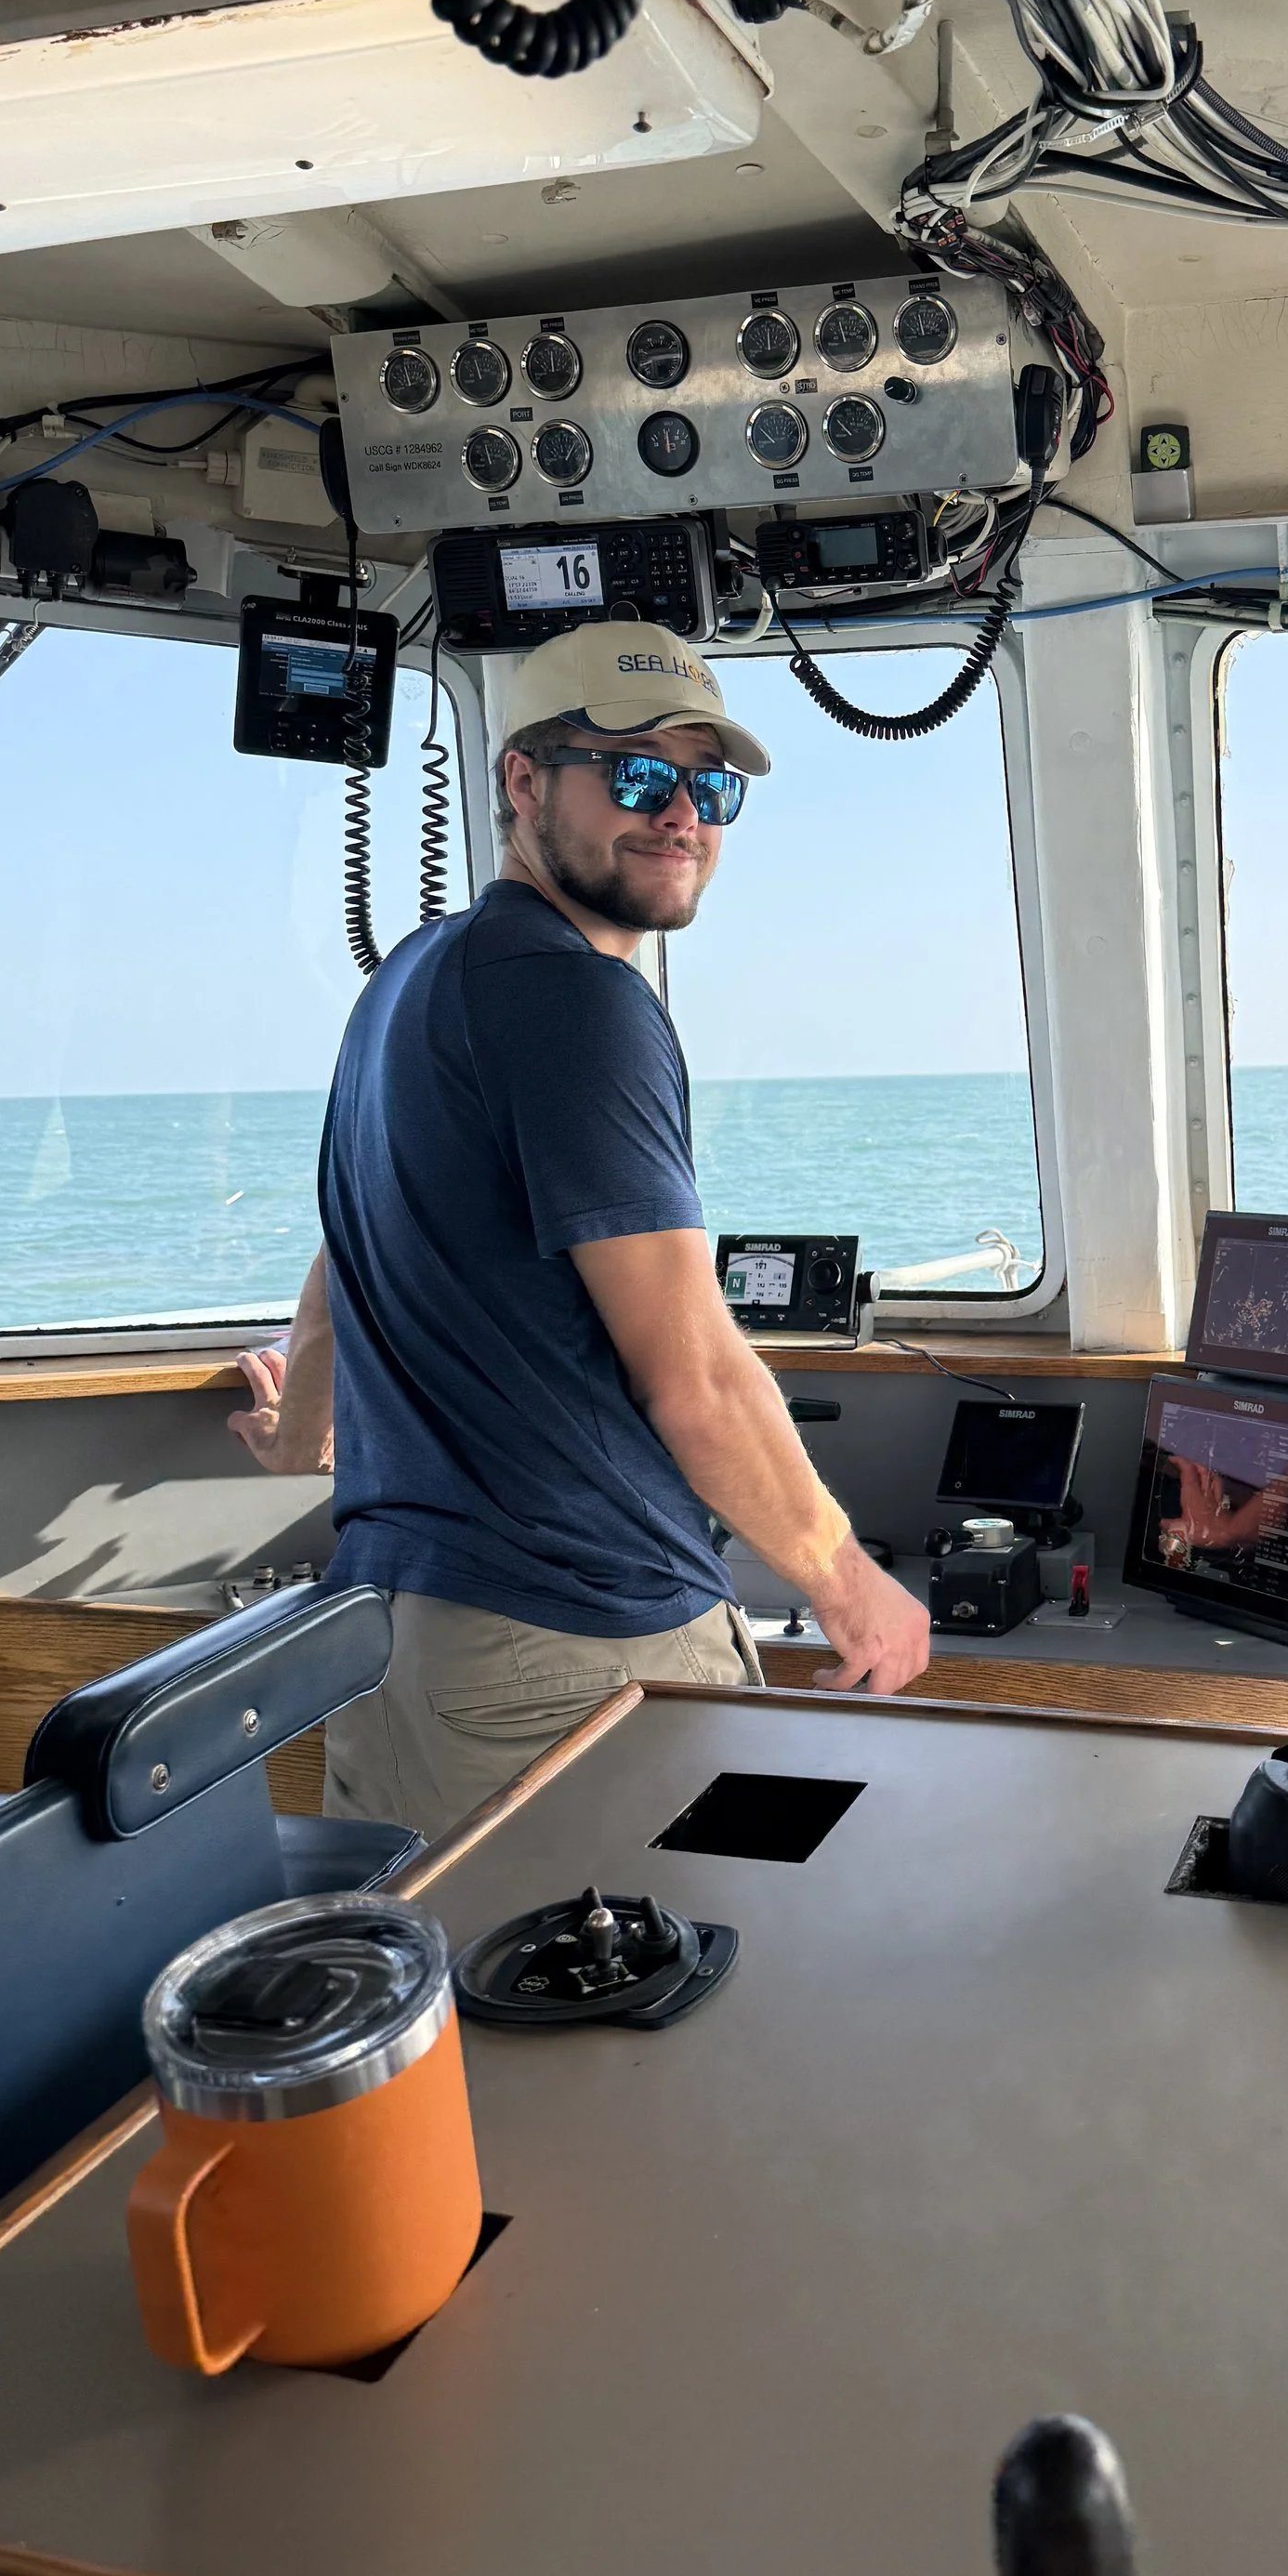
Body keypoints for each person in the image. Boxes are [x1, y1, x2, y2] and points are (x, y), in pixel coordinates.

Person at [230, 619, 929, 1833]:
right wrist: (848, 1581)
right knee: (667, 2009)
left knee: (452, 2007)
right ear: (522, 782)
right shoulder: (577, 1001)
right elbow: (698, 1378)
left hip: (395, 1647)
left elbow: (355, 1240)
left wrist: (305, 1427)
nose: (683, 817)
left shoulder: (409, 979)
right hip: (565, 1651)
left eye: (709, 787)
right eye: (639, 775)